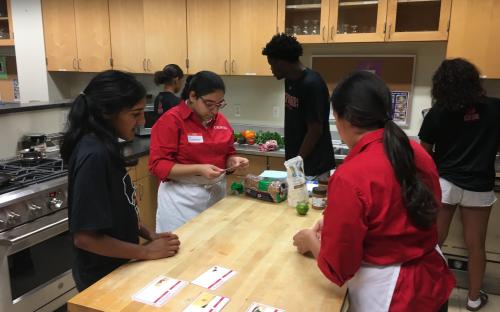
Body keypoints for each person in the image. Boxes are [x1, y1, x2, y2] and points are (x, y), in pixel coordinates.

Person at [293, 71, 455, 311]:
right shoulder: (416, 152)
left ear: (342, 118)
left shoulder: (350, 175)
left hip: (394, 297)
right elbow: (400, 214)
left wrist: (309, 240)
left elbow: (339, 267)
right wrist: (334, 223)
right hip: (433, 283)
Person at [61, 70, 181, 291]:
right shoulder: (93, 155)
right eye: (135, 114)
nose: (142, 121)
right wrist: (146, 251)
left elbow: (119, 207)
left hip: (121, 267)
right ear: (107, 113)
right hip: (100, 279)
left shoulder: (105, 145)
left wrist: (149, 234)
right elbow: (85, 237)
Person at [419, 58, 500, 311]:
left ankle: (428, 292)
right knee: (476, 245)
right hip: (479, 185)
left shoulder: (438, 111)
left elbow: (424, 151)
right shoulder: (496, 108)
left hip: (445, 183)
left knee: (435, 242)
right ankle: (474, 299)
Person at [149, 71, 249, 232]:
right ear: (193, 96)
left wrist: (233, 161)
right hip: (181, 200)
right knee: (183, 248)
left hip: (216, 196)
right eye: (210, 104)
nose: (215, 111)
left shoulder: (220, 120)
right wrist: (198, 169)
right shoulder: (171, 121)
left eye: (219, 104)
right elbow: (158, 165)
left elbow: (228, 152)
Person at [262, 33, 335, 178]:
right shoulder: (289, 79)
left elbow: (315, 130)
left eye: (272, 64)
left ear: (282, 63)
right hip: (297, 163)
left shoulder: (312, 84)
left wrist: (297, 161)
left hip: (314, 166)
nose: (271, 69)